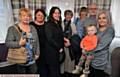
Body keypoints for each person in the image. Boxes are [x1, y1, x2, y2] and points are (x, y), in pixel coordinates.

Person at [5, 8, 40, 74]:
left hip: (32, 59)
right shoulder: (12, 29)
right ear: (20, 17)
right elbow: (7, 43)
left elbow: (37, 41)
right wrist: (19, 43)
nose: (26, 18)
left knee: (34, 73)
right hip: (20, 59)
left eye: (28, 16)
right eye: (24, 16)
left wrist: (37, 53)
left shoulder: (32, 27)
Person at [88, 10, 115, 77]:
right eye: (99, 18)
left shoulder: (110, 30)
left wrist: (87, 49)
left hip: (101, 63)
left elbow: (101, 45)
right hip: (91, 60)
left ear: (108, 19)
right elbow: (89, 40)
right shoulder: (96, 29)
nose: (101, 20)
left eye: (104, 18)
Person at [44, 6, 64, 77]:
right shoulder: (48, 24)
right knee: (53, 71)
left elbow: (58, 36)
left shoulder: (57, 23)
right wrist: (59, 48)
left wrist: (64, 40)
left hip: (57, 51)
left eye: (58, 13)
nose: (57, 14)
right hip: (51, 51)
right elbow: (50, 39)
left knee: (56, 69)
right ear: (51, 14)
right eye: (55, 13)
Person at [30, 9, 47, 76]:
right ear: (35, 16)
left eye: (42, 15)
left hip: (46, 49)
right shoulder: (31, 25)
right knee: (35, 68)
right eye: (38, 15)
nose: (40, 16)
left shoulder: (47, 24)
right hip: (35, 49)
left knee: (45, 68)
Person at [60, 10, 77, 77]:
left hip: (70, 44)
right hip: (62, 44)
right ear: (64, 15)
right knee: (63, 58)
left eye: (70, 15)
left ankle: (69, 72)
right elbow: (59, 34)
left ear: (72, 16)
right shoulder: (61, 23)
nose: (68, 16)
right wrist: (64, 41)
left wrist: (69, 41)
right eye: (67, 14)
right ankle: (63, 72)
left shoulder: (73, 24)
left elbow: (75, 35)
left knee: (70, 58)